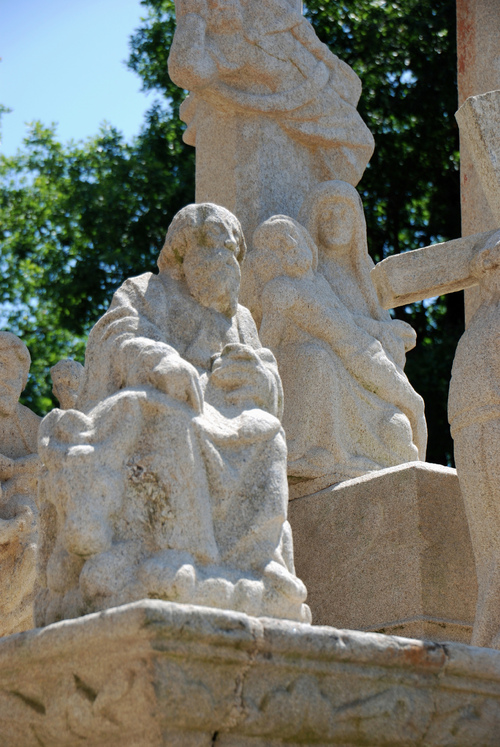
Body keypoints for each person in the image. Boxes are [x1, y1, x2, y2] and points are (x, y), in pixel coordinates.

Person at [37, 204, 310, 626]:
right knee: (173, 419)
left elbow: (269, 378)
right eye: (211, 244)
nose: (223, 255)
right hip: (155, 404)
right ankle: (185, 556)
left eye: (230, 248)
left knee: (269, 432)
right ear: (181, 251)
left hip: (223, 414)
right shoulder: (146, 291)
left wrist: (259, 379)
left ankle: (257, 564)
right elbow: (116, 338)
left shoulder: (240, 318)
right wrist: (158, 360)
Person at [248, 215, 426, 488]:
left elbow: (346, 320)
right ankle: (416, 473)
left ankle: (418, 470)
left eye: (294, 237)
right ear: (270, 258)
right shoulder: (280, 290)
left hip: (366, 351)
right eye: (281, 244)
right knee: (414, 405)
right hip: (353, 359)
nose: (292, 245)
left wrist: (384, 330)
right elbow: (267, 347)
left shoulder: (318, 282)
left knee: (413, 405)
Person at [168, 0, 374, 186]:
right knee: (359, 144)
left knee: (361, 143)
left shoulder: (269, 8)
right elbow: (188, 70)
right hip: (295, 105)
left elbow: (307, 38)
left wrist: (335, 69)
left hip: (318, 87)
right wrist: (191, 19)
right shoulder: (224, 45)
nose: (219, 6)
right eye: (211, 5)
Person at [449, 233, 500, 649]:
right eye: (487, 264)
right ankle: (486, 642)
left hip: (493, 427)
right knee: (490, 556)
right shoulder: (482, 321)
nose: (490, 271)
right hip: (470, 432)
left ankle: (486, 642)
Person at [0, 332, 40, 635]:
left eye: (12, 372)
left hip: (23, 517)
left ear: (24, 380)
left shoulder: (33, 425)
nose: (4, 377)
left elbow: (49, 465)